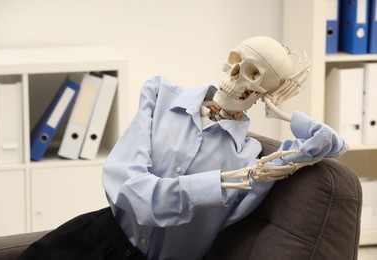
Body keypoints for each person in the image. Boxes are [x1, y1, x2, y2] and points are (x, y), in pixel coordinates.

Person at [19, 37, 347, 260]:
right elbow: (130, 191)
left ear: (263, 91)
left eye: (254, 75)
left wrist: (280, 110)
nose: (236, 76)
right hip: (94, 240)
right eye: (236, 62)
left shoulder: (250, 159)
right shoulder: (160, 95)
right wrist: (215, 184)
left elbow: (329, 142)